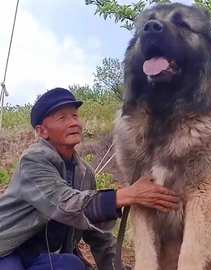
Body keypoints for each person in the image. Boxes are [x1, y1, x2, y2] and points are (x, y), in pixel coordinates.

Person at [0, 88, 179, 270]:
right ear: (42, 131)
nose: (73, 123)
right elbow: (64, 204)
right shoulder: (33, 161)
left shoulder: (84, 173)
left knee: (70, 265)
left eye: (75, 116)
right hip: (8, 251)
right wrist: (128, 195)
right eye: (62, 118)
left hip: (43, 258)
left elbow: (98, 235)